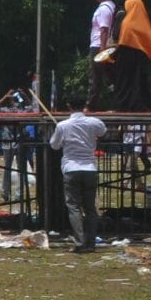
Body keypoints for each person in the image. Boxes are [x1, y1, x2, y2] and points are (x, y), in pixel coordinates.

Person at [49, 101, 105, 253]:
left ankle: (80, 243)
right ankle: (91, 243)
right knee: (90, 207)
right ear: (85, 106)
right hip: (90, 168)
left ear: (69, 106)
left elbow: (54, 145)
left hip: (71, 168)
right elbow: (102, 131)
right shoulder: (94, 123)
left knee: (74, 207)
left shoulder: (63, 125)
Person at [85, 0, 118, 108]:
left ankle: (90, 106)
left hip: (99, 45)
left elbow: (104, 29)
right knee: (110, 77)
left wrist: (102, 49)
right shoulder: (111, 6)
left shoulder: (104, 9)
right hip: (104, 45)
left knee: (95, 77)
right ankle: (117, 103)